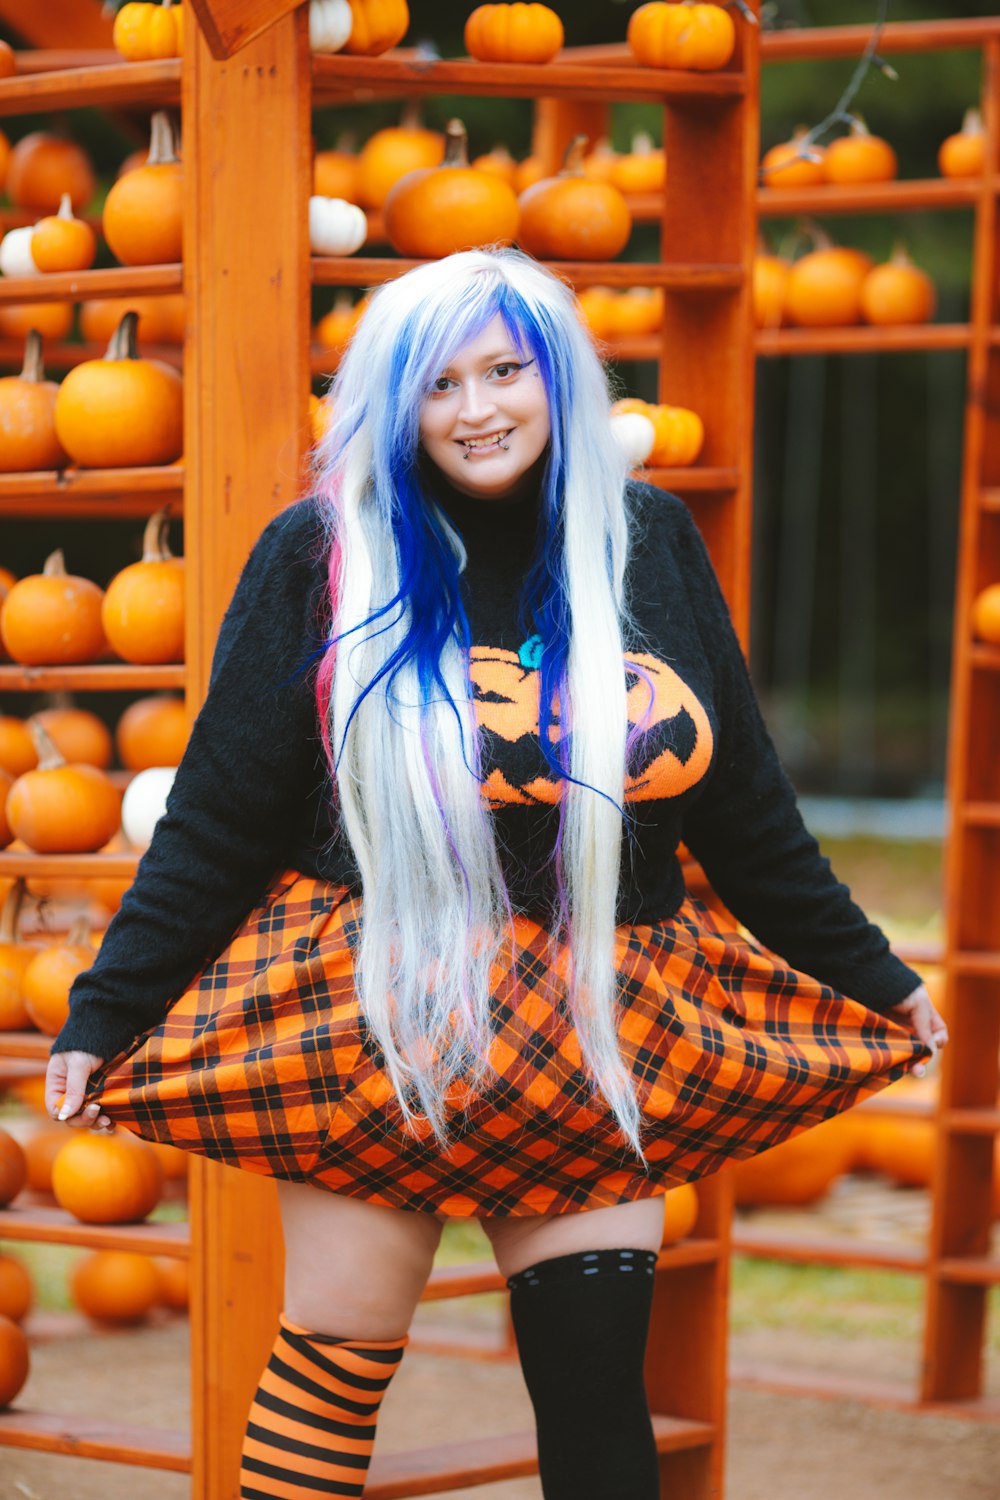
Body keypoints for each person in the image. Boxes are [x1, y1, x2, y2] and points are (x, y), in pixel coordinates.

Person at [45, 247, 947, 1500]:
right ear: (391, 405)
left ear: (557, 378)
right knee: (332, 1369)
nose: (477, 408)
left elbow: (744, 808)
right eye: (439, 383)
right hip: (376, 1010)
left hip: (599, 1018)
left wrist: (873, 974)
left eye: (506, 370)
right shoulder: (321, 554)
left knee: (592, 1389)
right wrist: (107, 1011)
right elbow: (216, 822)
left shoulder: (649, 539)